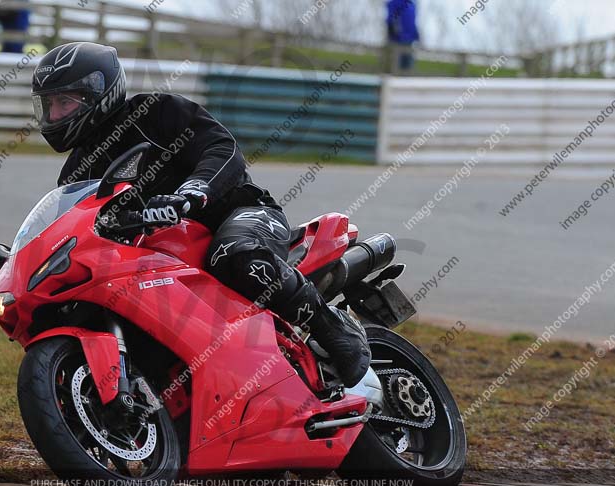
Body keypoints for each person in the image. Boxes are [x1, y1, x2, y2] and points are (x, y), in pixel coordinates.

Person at [31, 42, 371, 387]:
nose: (56, 115)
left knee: (236, 254)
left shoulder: (155, 112)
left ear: (96, 93)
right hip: (160, 258)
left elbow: (222, 148)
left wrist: (193, 192)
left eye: (65, 102)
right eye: (50, 105)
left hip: (238, 213)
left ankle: (335, 331)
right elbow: (79, 227)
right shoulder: (75, 174)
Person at [386, 0, 420, 74]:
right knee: (396, 68)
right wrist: (393, 30)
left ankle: (406, 83)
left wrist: (416, 34)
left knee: (407, 69)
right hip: (397, 41)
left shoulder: (412, 4)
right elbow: (390, 18)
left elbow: (413, 22)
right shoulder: (394, 2)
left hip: (409, 41)